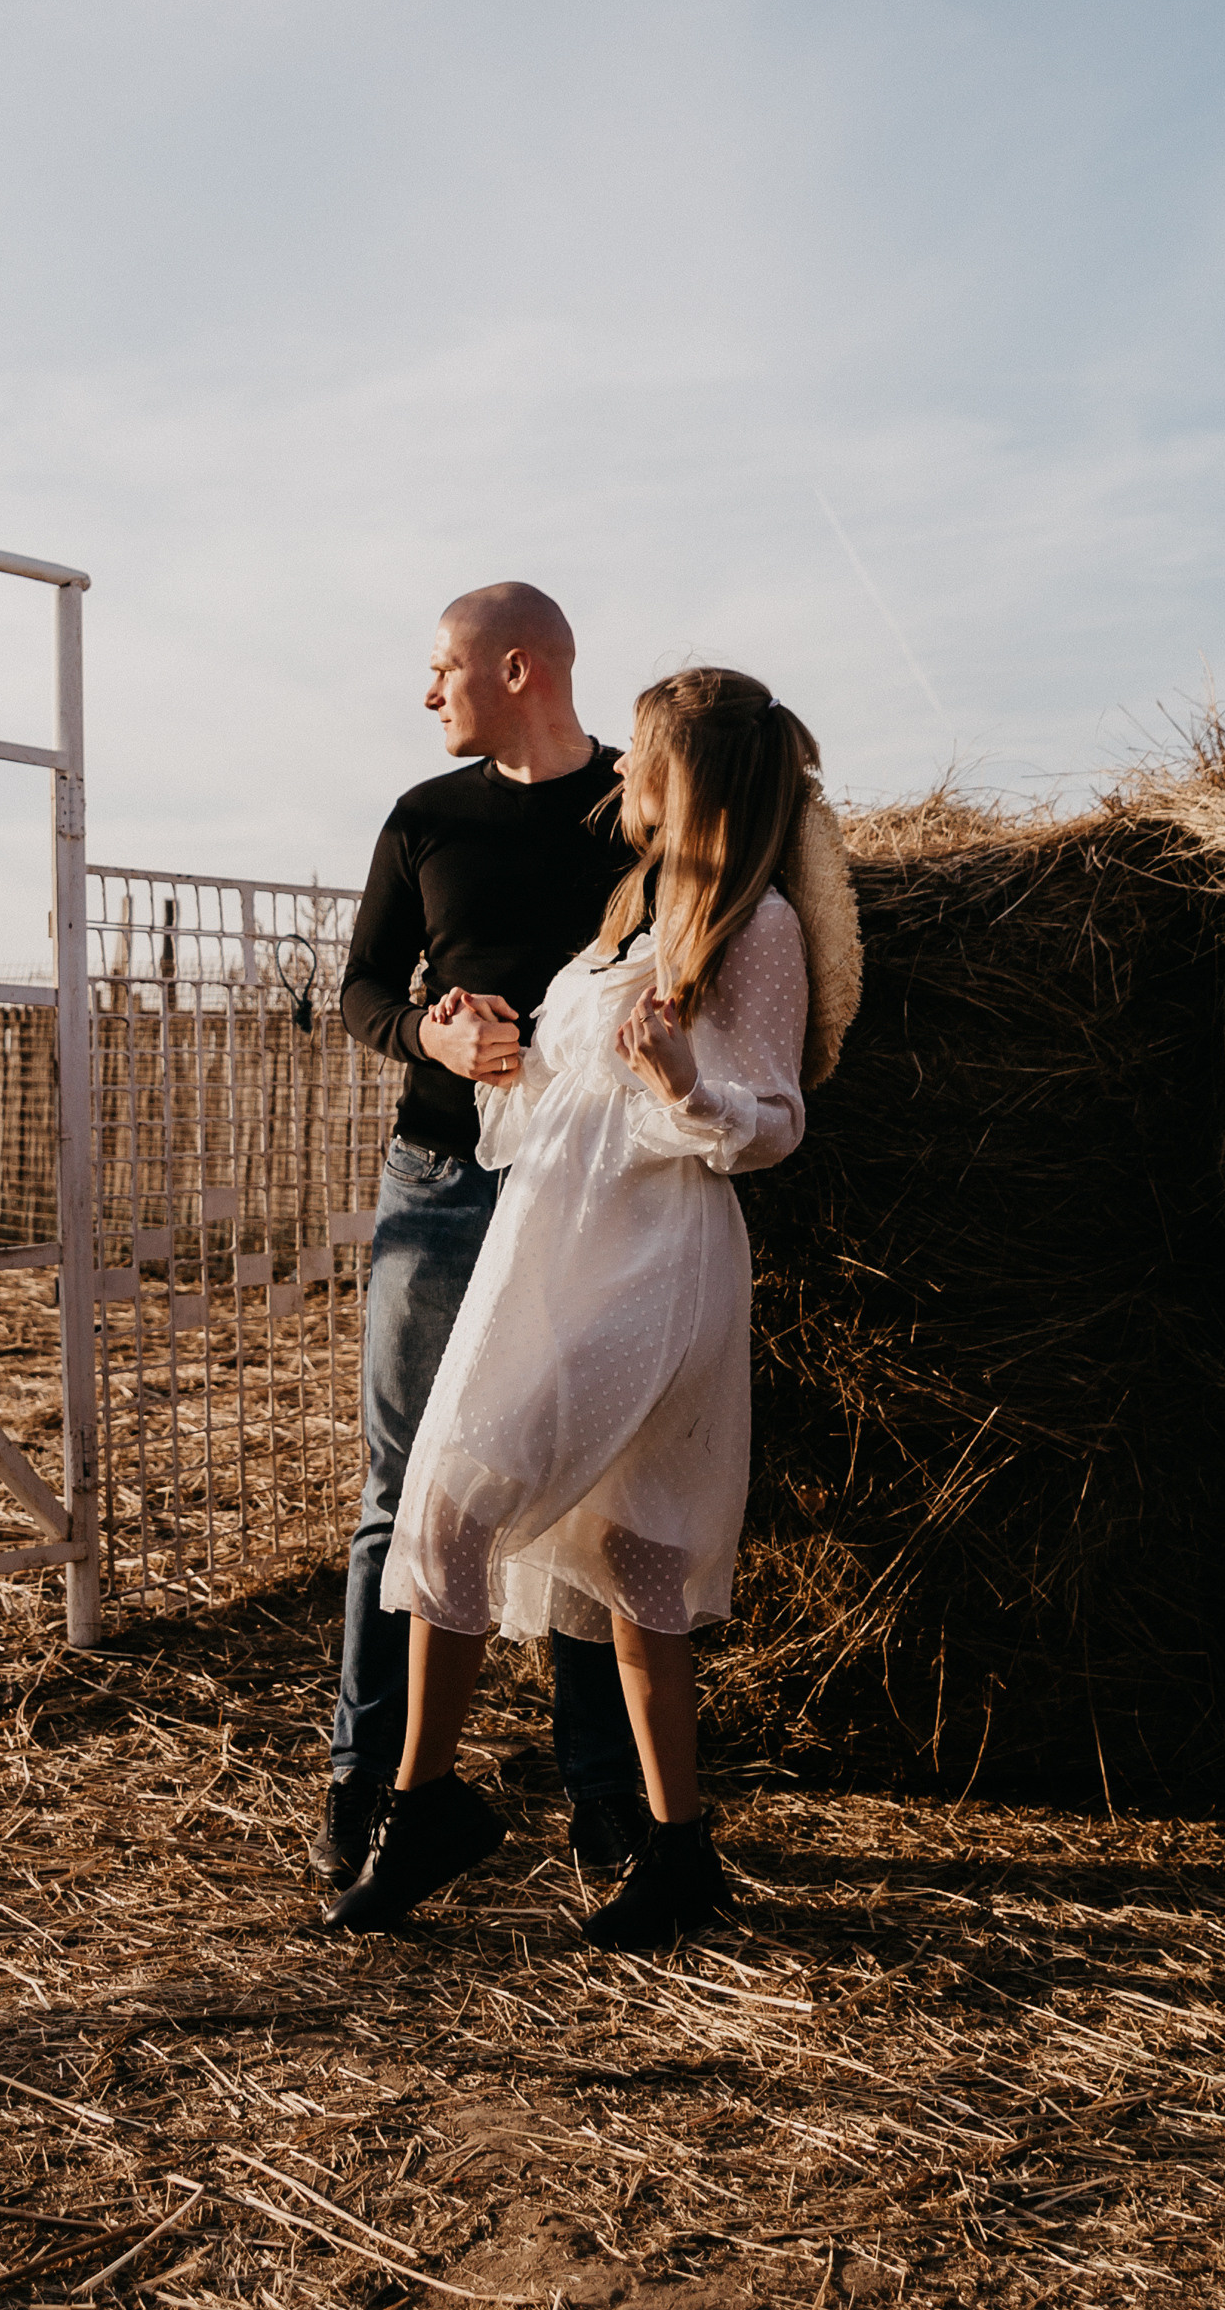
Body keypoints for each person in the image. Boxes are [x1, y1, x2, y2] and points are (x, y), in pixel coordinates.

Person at [326, 666, 861, 1950]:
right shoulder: (631, 908)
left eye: (644, 754)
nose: (623, 771)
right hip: (550, 1241)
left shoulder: (756, 926)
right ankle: (677, 1849)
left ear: (689, 775)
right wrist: (493, 1047)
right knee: (613, 1554)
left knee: (478, 1508)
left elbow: (774, 1121)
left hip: (649, 1256)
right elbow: (559, 1102)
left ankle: (426, 1807)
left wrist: (685, 1083)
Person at [318, 582, 646, 1894]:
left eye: (441, 667)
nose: (426, 691)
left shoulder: (639, 807)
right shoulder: (424, 816)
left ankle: (605, 1797)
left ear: (515, 668)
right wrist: (430, 1035)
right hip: (440, 1179)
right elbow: (360, 990)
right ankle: (369, 1783)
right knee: (400, 1488)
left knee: (591, 1491)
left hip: (587, 1187)